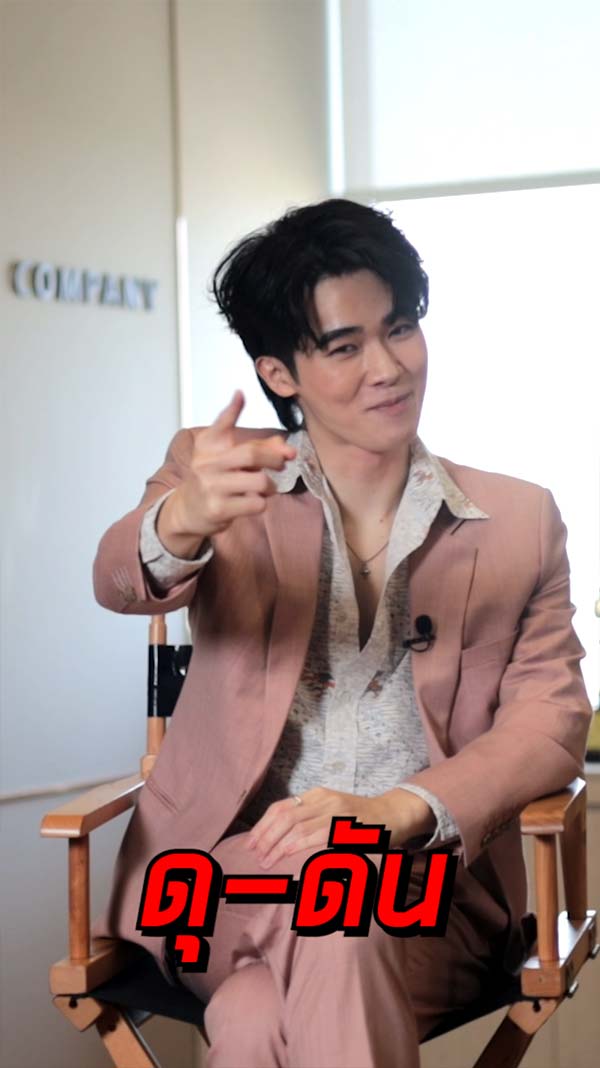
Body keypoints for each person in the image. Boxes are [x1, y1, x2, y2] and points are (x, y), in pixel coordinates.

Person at [92, 199, 592, 1068]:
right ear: (279, 373)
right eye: (345, 346)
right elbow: (116, 579)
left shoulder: (519, 519)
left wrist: (399, 811)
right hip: (218, 888)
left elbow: (551, 722)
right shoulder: (222, 475)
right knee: (338, 914)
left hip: (431, 903)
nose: (389, 368)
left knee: (254, 1018)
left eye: (399, 329)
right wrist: (180, 521)